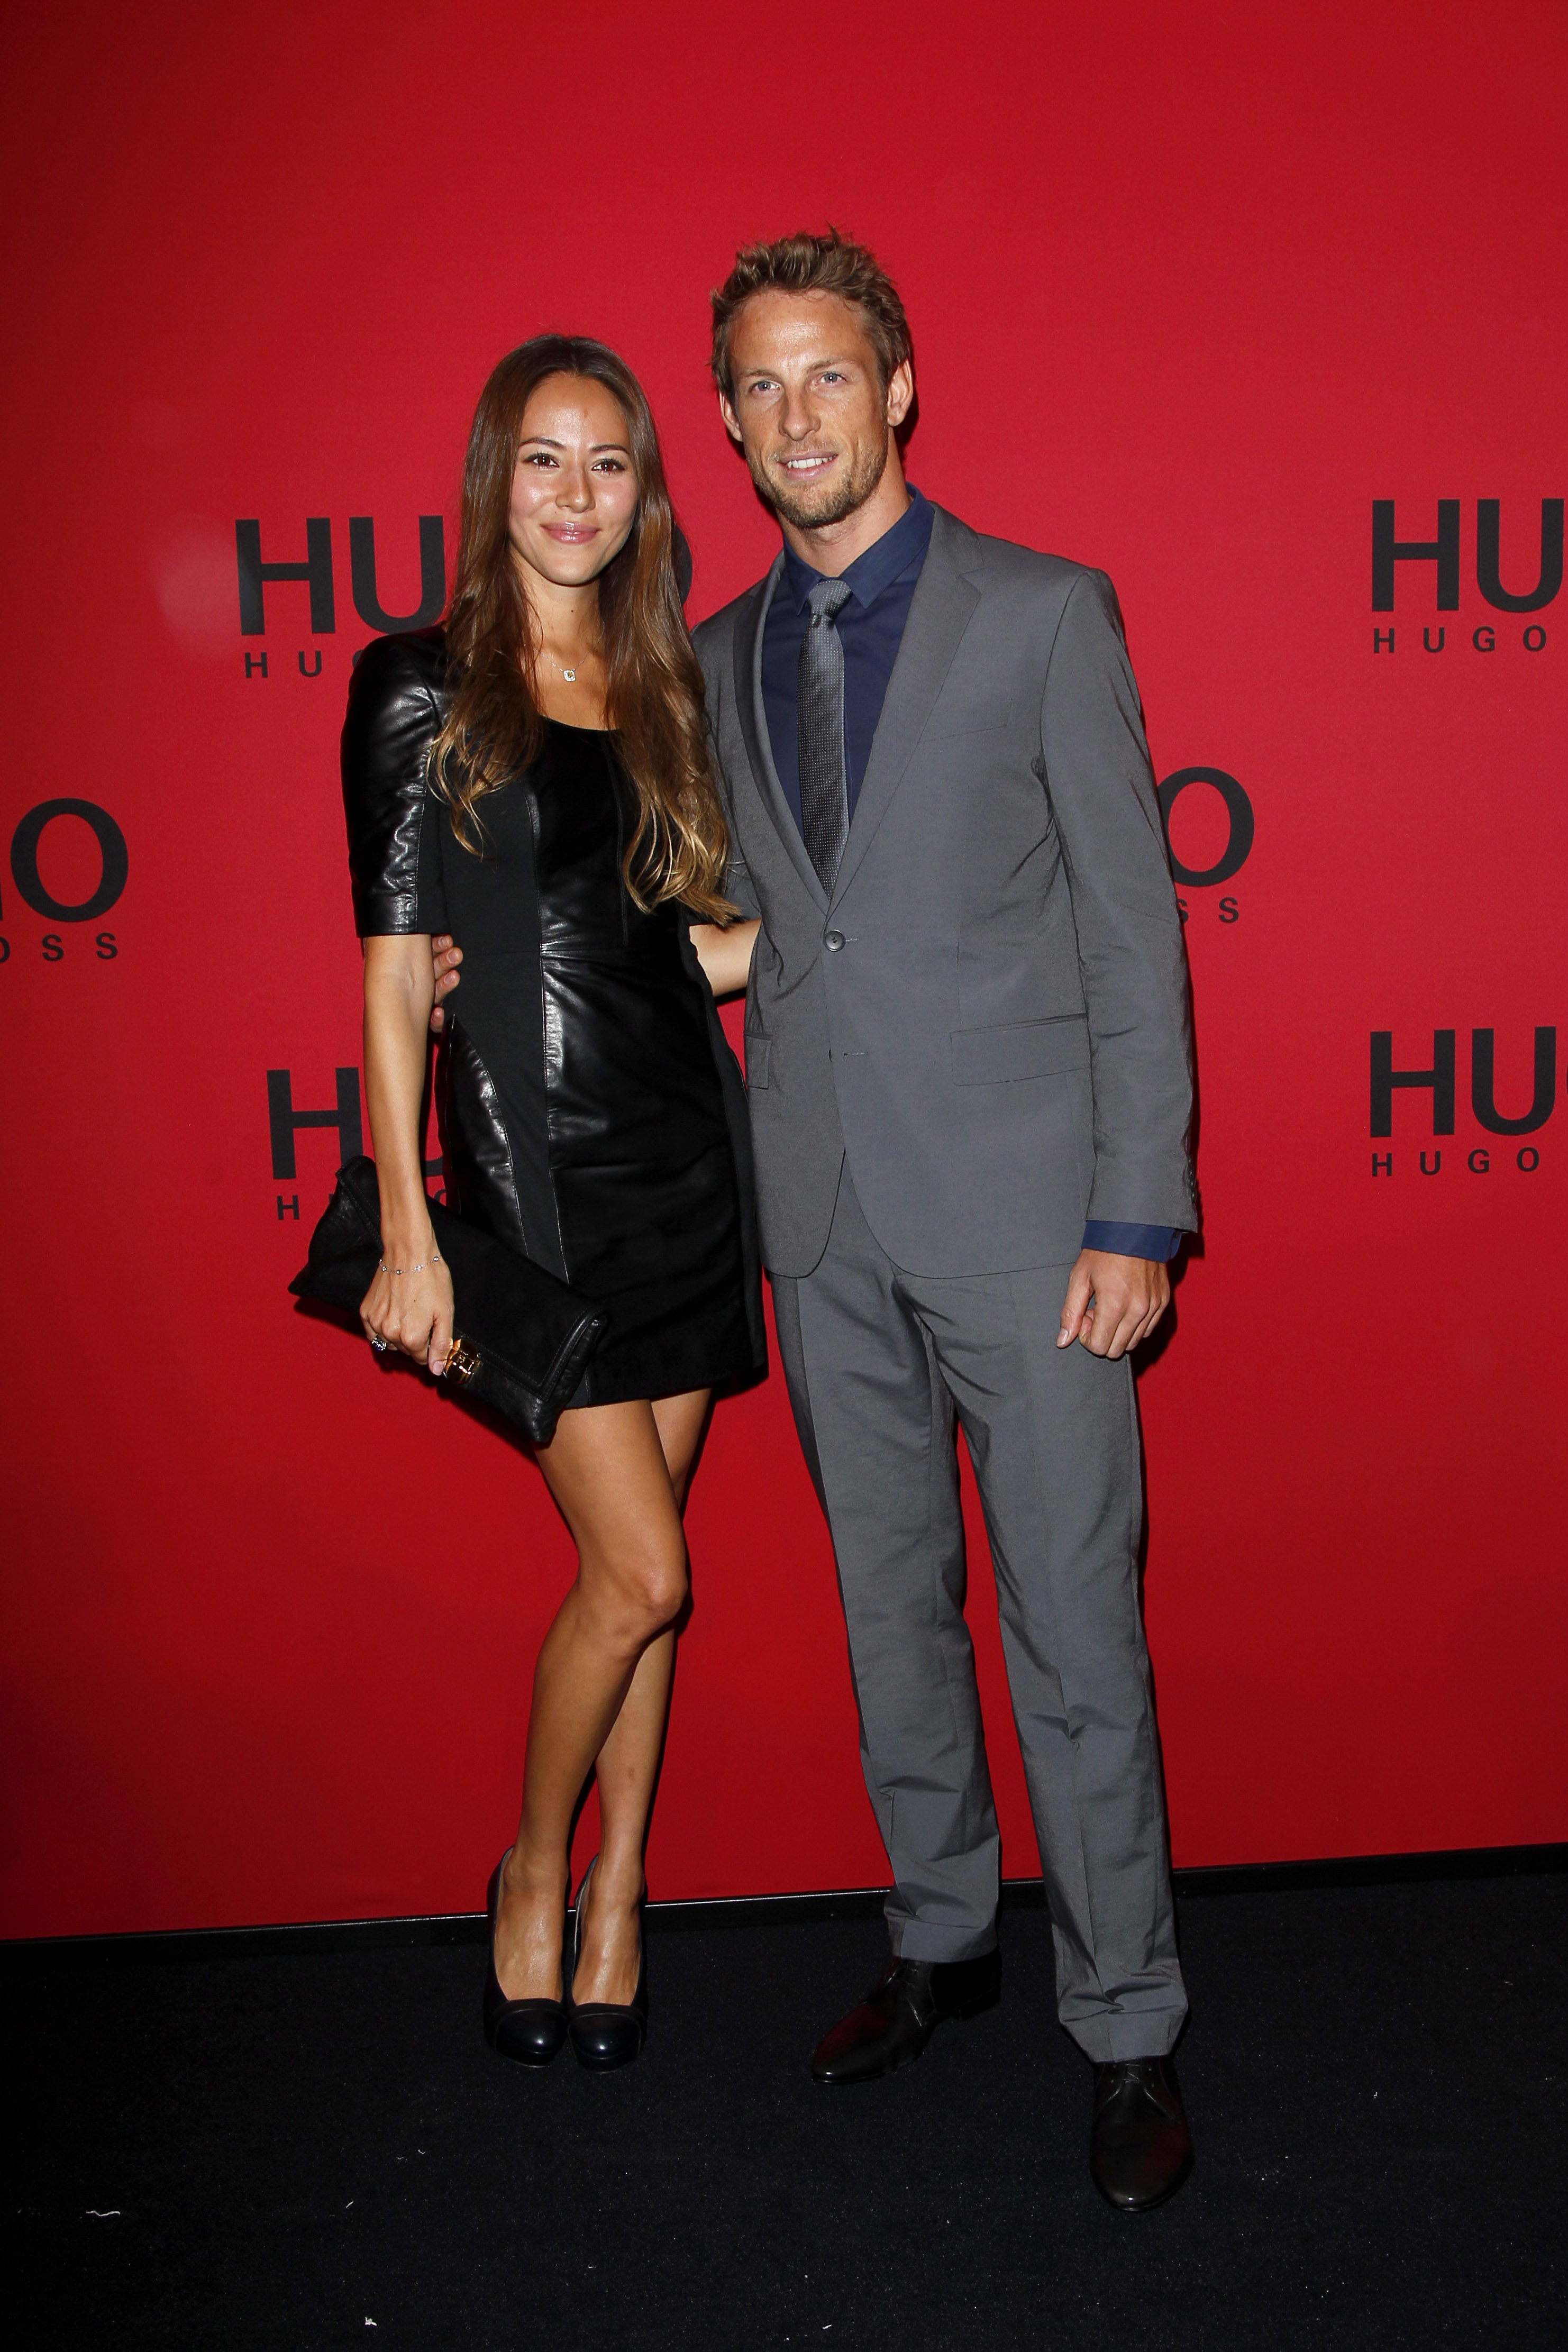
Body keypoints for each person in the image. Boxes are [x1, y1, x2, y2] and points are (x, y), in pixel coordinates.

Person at [433, 233, 1198, 2209]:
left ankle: (1125, 2023)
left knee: (1072, 1630)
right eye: (759, 388)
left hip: (1032, 1223)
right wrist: (478, 962)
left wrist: (1136, 1215)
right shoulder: (709, 652)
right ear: (726, 420)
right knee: (887, 1608)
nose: (796, 417)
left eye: (828, 375)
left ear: (899, 385)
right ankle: (939, 1937)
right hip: (821, 1211)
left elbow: (1133, 934)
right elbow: (714, 922)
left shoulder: (1045, 613)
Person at [344, 333, 763, 2074]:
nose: (575, 493)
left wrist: (843, 937)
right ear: (492, 479)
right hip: (533, 1176)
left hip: (687, 1160)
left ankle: (621, 1894)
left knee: (641, 1574)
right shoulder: (418, 684)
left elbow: (687, 952)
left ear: (644, 490)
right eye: (543, 458)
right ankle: (531, 1868)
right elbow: (392, 977)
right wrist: (411, 1229)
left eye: (607, 461)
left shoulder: (670, 685)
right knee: (644, 1571)